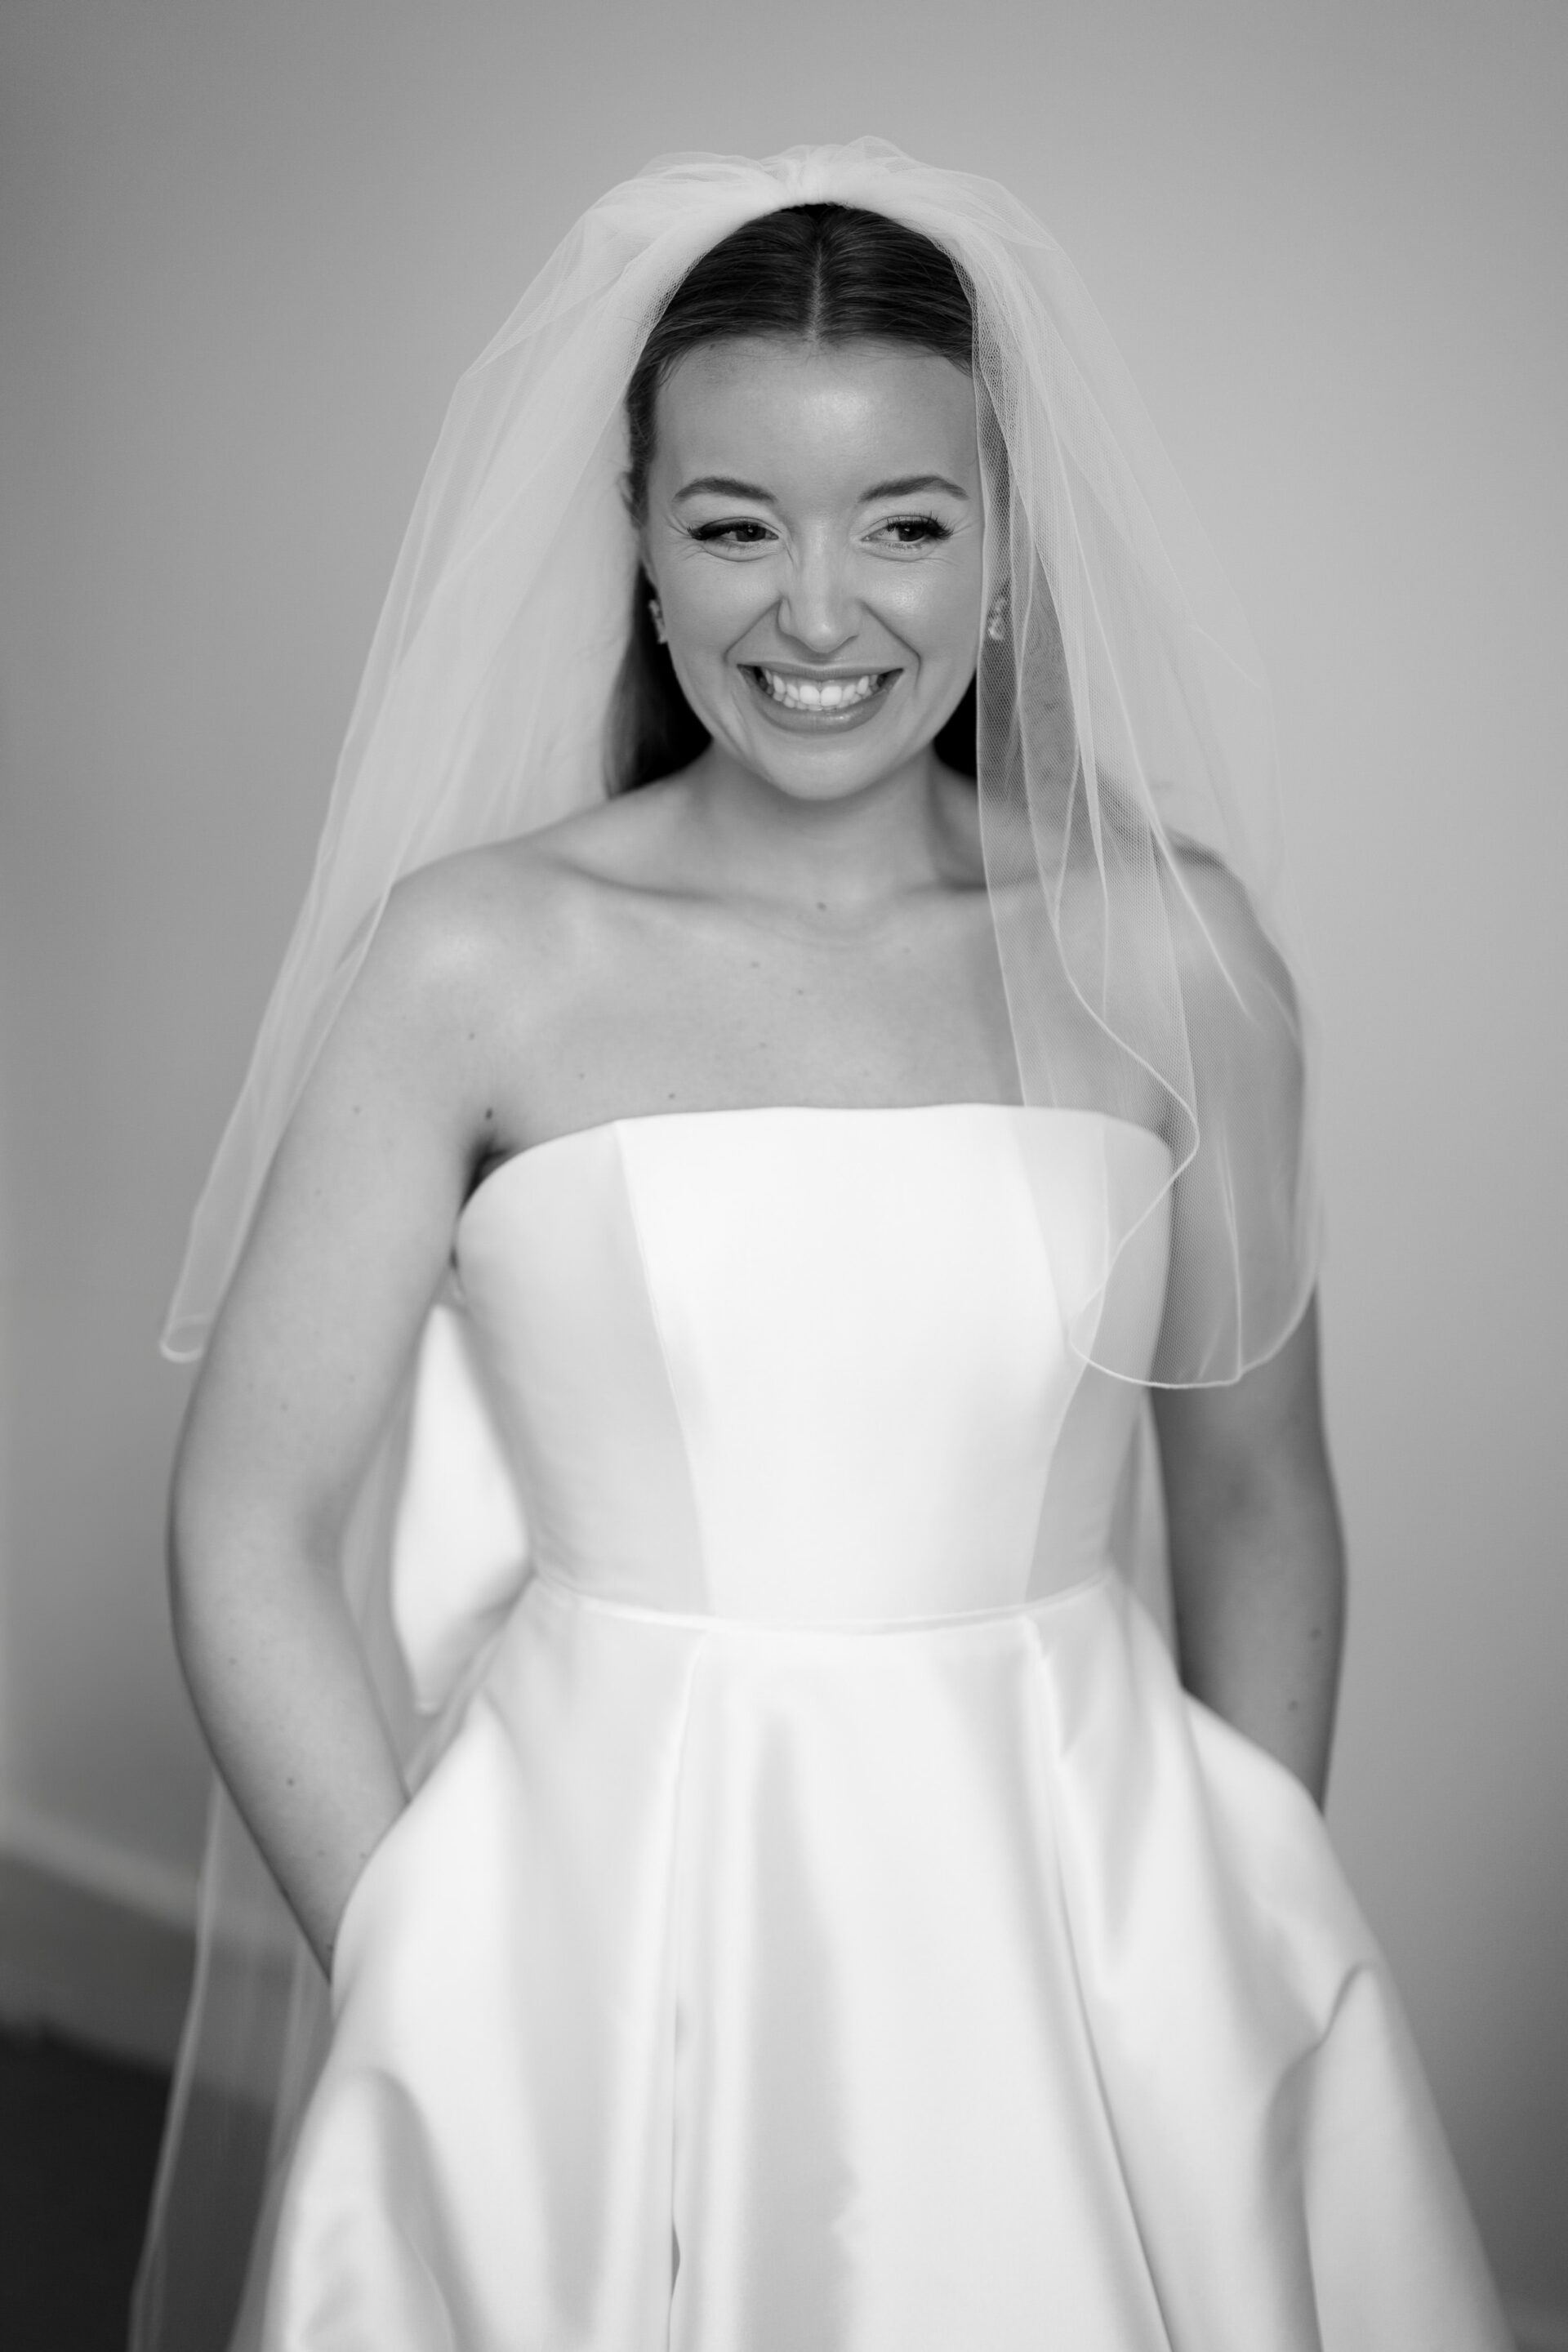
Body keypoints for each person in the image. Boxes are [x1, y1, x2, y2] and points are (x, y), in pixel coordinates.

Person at [131, 143, 1512, 2351]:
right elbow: (252, 1516)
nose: (818, 611)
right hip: (602, 1913)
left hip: (1076, 1907)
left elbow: (1257, 1492)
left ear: (1001, 548)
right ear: (643, 550)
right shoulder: (476, 964)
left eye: (904, 524)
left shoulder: (1175, 959)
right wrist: (420, 1943)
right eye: (735, 523)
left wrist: (1239, 1900)